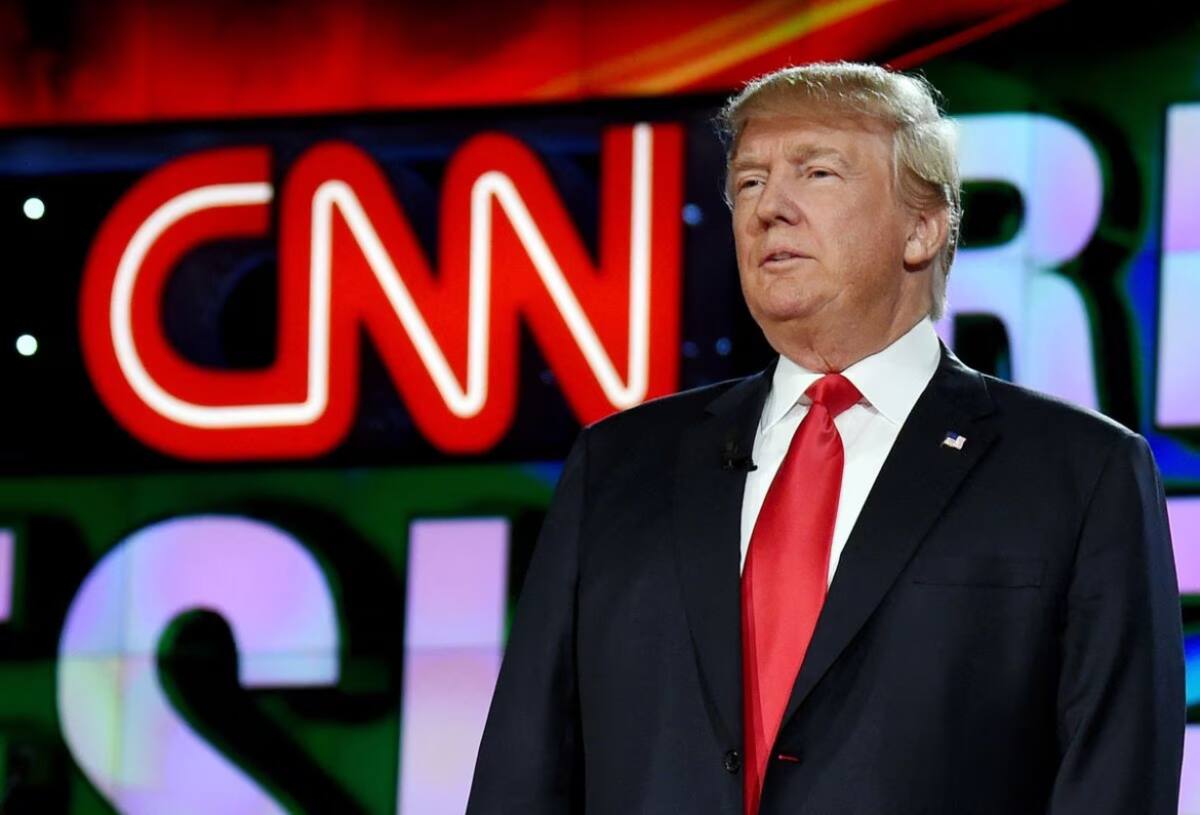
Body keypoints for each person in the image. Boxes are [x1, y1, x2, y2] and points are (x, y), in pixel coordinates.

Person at [466, 61, 1184, 814]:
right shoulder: (617, 466)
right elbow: (525, 766)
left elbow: (1117, 777)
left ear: (923, 226)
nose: (768, 207)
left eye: (816, 172)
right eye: (748, 182)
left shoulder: (1078, 471)